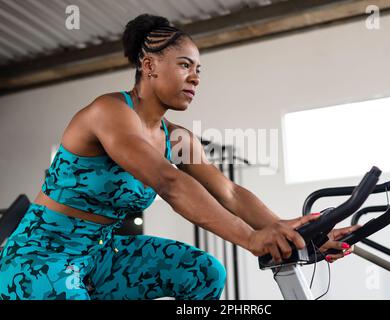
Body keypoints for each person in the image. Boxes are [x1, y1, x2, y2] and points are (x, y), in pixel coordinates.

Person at [0, 14, 358, 300]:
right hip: (42, 254)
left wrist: (299, 235)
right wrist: (250, 239)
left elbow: (228, 192)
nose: (196, 78)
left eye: (198, 70)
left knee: (204, 273)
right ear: (149, 65)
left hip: (100, 254)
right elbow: (169, 183)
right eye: (185, 65)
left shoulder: (177, 137)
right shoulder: (109, 112)